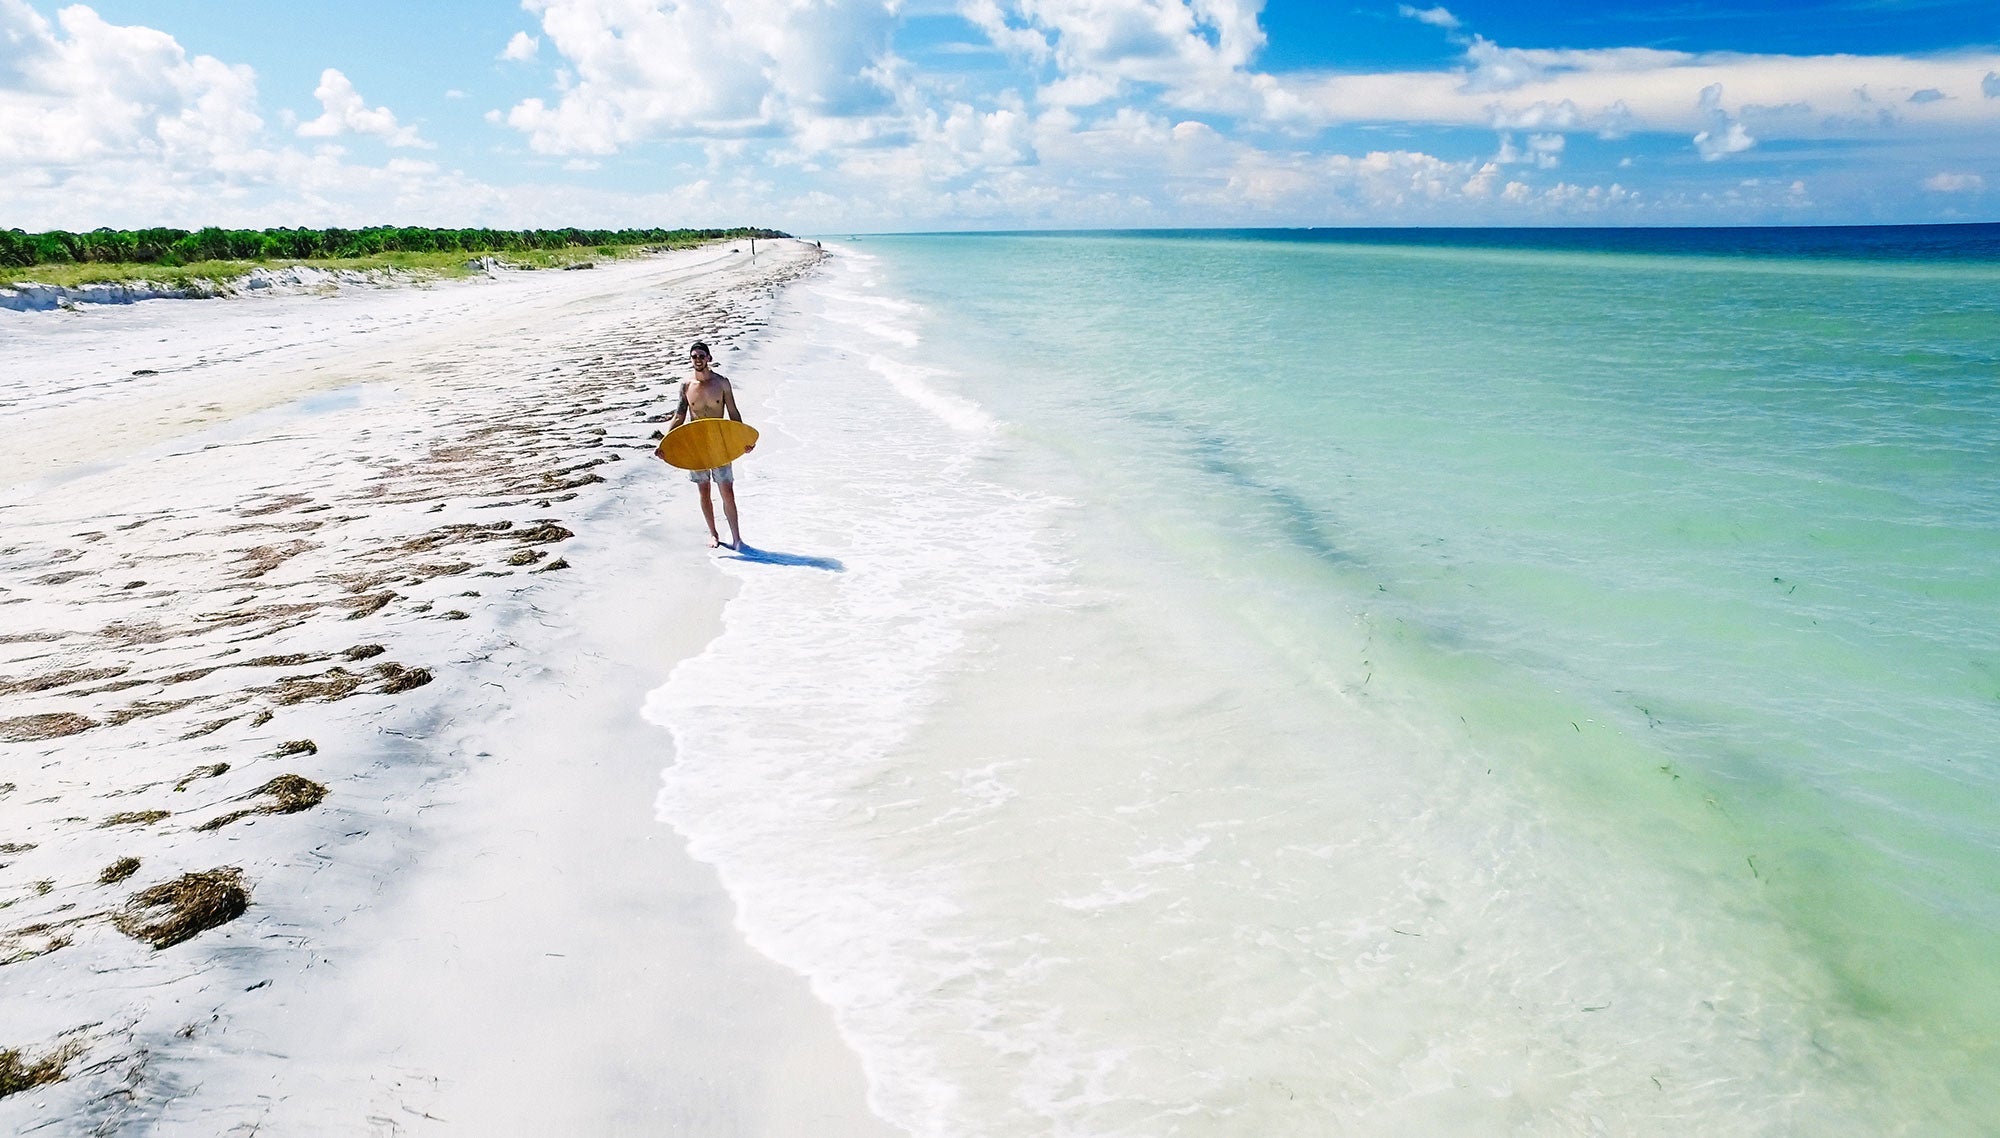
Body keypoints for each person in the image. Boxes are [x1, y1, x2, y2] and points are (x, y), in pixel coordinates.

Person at [665, 341, 753, 548]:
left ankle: (737, 538)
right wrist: (665, 444)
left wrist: (743, 439)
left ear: (709, 358)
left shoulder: (722, 383)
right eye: (694, 356)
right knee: (704, 491)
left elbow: (733, 412)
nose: (698, 360)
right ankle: (713, 534)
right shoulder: (686, 386)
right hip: (696, 445)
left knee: (727, 491)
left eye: (701, 356)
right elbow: (679, 416)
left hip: (719, 443)